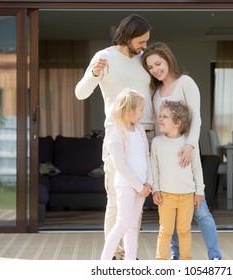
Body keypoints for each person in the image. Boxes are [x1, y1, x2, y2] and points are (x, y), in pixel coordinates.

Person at [75, 14, 154, 260]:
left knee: (139, 196)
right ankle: (115, 256)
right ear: (128, 36)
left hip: (145, 133)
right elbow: (80, 92)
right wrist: (94, 74)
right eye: (141, 41)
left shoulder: (144, 60)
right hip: (118, 133)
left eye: (146, 42)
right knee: (117, 198)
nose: (144, 47)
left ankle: (129, 255)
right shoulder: (104, 57)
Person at [142, 42, 222, 260]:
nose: (155, 69)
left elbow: (196, 117)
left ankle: (215, 257)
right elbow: (159, 125)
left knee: (202, 212)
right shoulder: (156, 92)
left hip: (188, 152)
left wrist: (190, 145)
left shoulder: (185, 82)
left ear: (167, 59)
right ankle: (176, 256)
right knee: (174, 218)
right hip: (168, 158)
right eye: (150, 67)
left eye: (158, 63)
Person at [100, 89, 153, 260]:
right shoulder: (116, 133)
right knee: (122, 224)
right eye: (140, 109)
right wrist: (138, 186)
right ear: (129, 110)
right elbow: (120, 165)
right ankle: (104, 262)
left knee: (132, 226)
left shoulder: (140, 130)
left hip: (142, 187)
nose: (142, 113)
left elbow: (147, 156)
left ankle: (130, 262)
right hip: (126, 186)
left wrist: (149, 183)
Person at [151, 100, 204, 260]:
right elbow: (154, 168)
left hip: (187, 195)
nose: (160, 119)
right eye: (160, 115)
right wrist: (155, 189)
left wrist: (199, 191)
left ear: (178, 122)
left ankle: (186, 262)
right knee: (165, 231)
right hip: (166, 196)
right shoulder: (156, 142)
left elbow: (197, 168)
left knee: (184, 231)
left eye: (165, 116)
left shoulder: (189, 143)